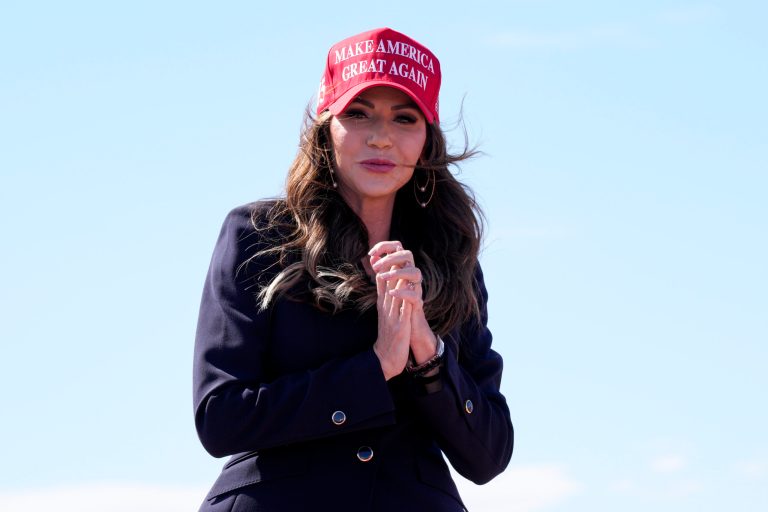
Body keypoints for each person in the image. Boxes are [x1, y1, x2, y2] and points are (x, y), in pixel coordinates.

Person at [193, 27, 513, 512]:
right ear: (327, 126)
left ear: (426, 141)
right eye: (358, 114)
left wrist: (426, 353)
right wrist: (378, 366)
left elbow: (488, 455)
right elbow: (221, 416)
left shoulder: (454, 262)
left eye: (405, 118)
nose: (381, 137)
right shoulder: (259, 235)